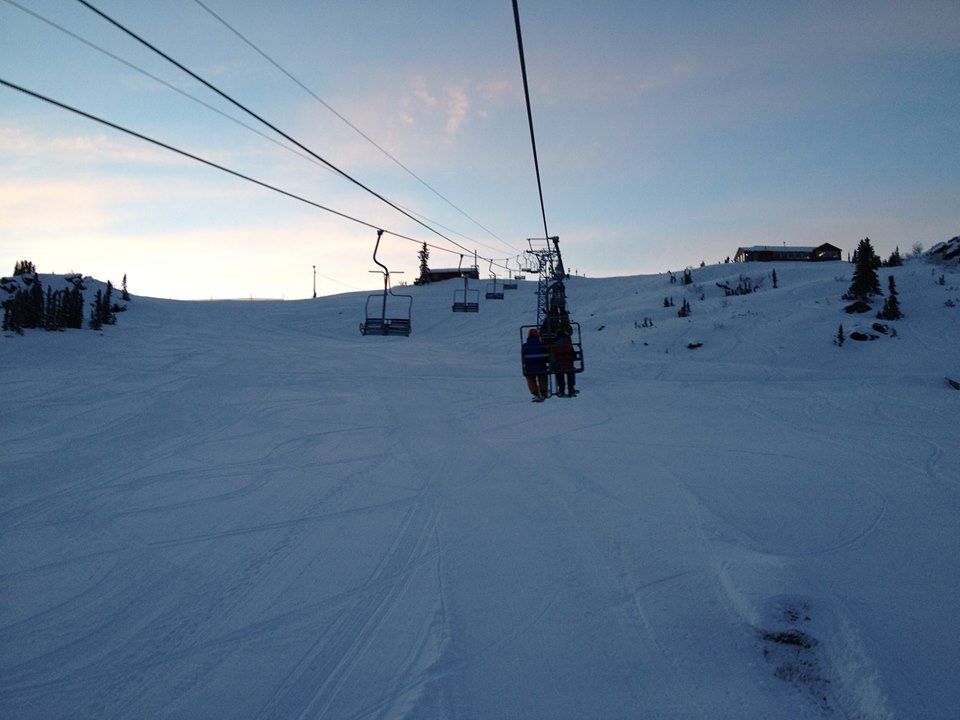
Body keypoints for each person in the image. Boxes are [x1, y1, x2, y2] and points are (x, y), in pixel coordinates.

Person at [521, 327, 549, 401]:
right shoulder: (542, 345)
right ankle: (543, 391)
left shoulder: (525, 346)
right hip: (541, 366)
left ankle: (535, 393)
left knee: (530, 378)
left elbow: (523, 357)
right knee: (543, 376)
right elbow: (547, 356)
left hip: (530, 367)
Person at [551, 329, 577, 397]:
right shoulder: (568, 343)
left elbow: (552, 355)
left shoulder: (555, 344)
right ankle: (571, 389)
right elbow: (574, 355)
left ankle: (561, 390)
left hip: (559, 365)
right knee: (571, 371)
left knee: (559, 372)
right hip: (569, 364)